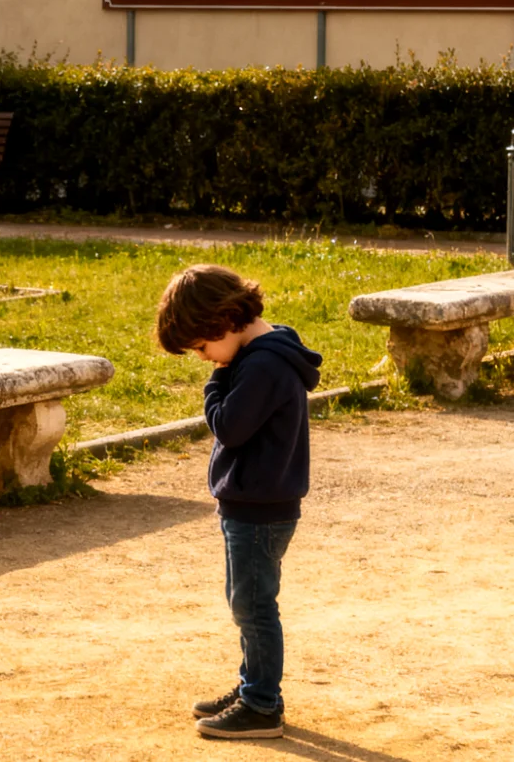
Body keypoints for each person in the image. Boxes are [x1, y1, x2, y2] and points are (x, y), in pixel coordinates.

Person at [156, 264, 322, 740]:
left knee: (253, 605)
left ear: (223, 320)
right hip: (254, 504)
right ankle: (254, 685)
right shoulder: (262, 353)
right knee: (246, 601)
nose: (208, 359)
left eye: (204, 348)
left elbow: (229, 426)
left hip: (259, 508)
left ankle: (262, 704)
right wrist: (225, 372)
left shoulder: (263, 364)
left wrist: (213, 385)